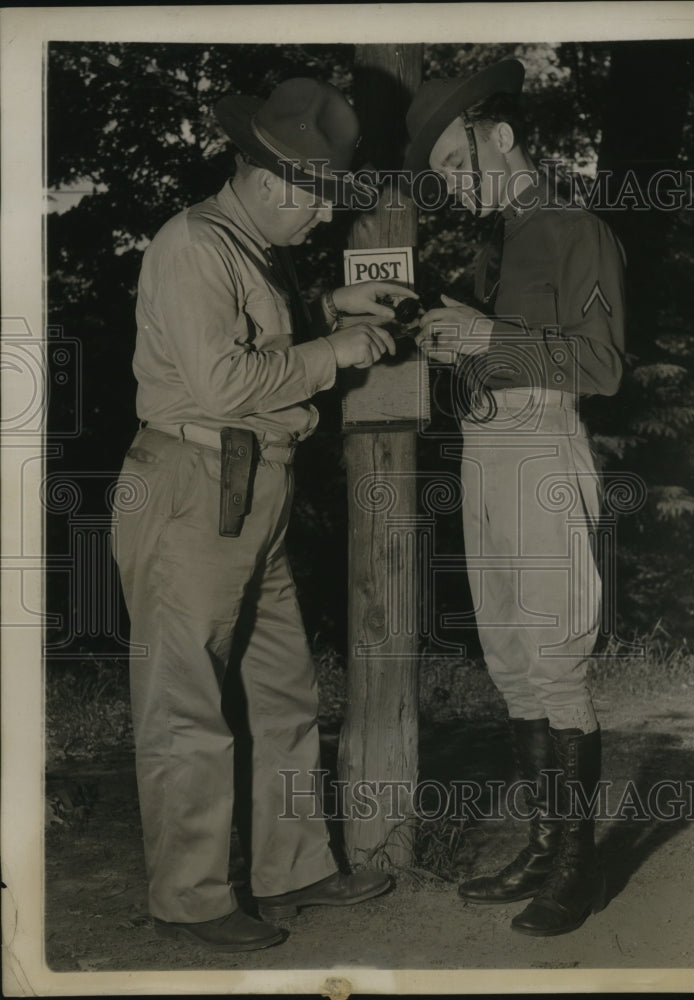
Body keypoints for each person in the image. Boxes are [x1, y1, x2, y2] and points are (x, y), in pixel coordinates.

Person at [112, 77, 416, 953]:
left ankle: (294, 867)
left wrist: (328, 310)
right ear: (276, 179)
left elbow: (247, 340)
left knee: (282, 689)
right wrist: (338, 350)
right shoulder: (190, 244)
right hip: (192, 481)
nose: (323, 223)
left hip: (252, 483)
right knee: (187, 704)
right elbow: (224, 383)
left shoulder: (241, 245)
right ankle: (192, 898)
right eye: (318, 205)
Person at [404, 58, 625, 936]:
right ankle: (542, 846)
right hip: (485, 450)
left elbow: (601, 366)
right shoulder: (498, 244)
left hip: (541, 450)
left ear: (500, 135)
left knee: (557, 656)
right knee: (510, 657)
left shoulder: (577, 229)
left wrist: (490, 333)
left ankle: (579, 869)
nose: (456, 187)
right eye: (444, 178)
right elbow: (507, 345)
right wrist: (459, 344)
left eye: (460, 163)